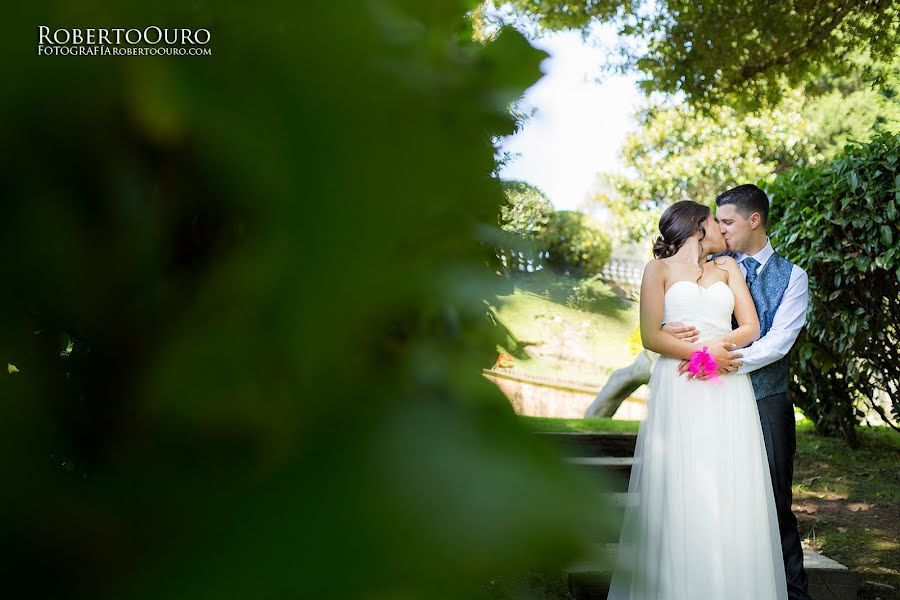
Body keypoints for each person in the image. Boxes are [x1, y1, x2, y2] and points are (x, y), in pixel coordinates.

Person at [607, 199, 787, 599]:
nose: (723, 228)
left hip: (725, 383)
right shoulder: (659, 270)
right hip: (682, 381)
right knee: (684, 479)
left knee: (729, 477)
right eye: (714, 221)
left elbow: (751, 327)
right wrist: (700, 355)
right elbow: (652, 335)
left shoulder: (729, 268)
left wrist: (718, 346)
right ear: (695, 225)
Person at [663, 184, 812, 600]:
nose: (719, 228)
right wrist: (667, 331)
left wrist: (719, 361)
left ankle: (793, 595)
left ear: (754, 220)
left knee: (774, 502)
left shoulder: (794, 277)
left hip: (765, 400)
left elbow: (778, 343)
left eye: (726, 221)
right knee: (715, 494)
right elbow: (681, 309)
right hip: (710, 400)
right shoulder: (709, 263)